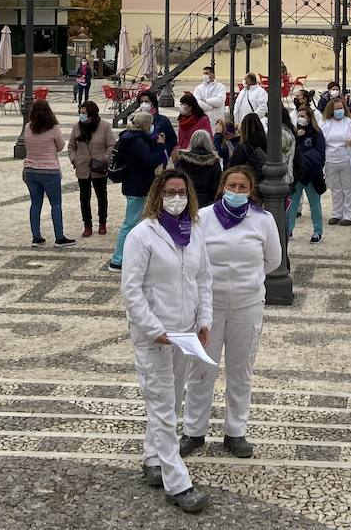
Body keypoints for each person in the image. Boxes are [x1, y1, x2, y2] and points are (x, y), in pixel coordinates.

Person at [120, 170, 213, 514]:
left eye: (182, 192)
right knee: (161, 406)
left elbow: (203, 277)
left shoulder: (195, 232)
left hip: (186, 334)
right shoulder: (141, 236)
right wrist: (151, 327)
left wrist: (204, 319)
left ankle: (152, 459)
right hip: (154, 336)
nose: (177, 198)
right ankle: (179, 483)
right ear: (157, 195)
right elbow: (131, 290)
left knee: (171, 402)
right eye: (170, 192)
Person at [180, 166, 282, 461]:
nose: (236, 192)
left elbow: (273, 260)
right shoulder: (204, 218)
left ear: (251, 191)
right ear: (222, 186)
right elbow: (194, 259)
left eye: (242, 187)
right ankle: (193, 431)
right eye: (232, 186)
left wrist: (246, 281)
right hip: (208, 308)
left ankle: (236, 431)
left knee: (241, 370)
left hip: (247, 305)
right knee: (200, 370)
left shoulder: (263, 220)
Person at [108, 109, 170, 271]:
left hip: (136, 184)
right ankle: (117, 259)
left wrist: (154, 142)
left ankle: (136, 255)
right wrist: (160, 146)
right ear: (145, 126)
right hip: (137, 186)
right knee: (130, 223)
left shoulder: (132, 137)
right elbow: (150, 160)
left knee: (141, 221)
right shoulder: (135, 141)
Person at [21, 98, 74, 246]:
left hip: (30, 170)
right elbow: (60, 146)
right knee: (55, 204)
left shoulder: (28, 127)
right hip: (50, 171)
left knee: (35, 204)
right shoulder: (53, 128)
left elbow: (26, 144)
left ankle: (36, 237)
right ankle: (59, 237)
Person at [68, 100, 114, 237]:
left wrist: (105, 158)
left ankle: (102, 222)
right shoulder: (77, 127)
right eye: (80, 113)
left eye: (84, 113)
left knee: (101, 196)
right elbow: (71, 147)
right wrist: (74, 159)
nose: (81, 115)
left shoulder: (104, 126)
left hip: (99, 167)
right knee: (84, 197)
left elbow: (111, 145)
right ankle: (87, 224)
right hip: (82, 167)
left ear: (92, 114)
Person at [320, 95, 351, 226]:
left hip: (348, 161)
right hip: (331, 161)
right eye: (336, 108)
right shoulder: (324, 124)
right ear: (331, 110)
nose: (339, 111)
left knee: (350, 188)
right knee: (335, 190)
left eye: (341, 108)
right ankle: (337, 213)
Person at [289, 102, 326, 243]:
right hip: (298, 175)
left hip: (312, 174)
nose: (300, 118)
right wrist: (295, 136)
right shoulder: (294, 133)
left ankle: (318, 231)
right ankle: (289, 229)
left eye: (303, 116)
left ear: (310, 118)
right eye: (298, 116)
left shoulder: (317, 133)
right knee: (292, 204)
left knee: (314, 204)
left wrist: (309, 162)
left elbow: (321, 154)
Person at [176, 129, 223, 207]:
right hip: (207, 201)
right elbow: (216, 187)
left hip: (186, 199)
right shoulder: (214, 162)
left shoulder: (182, 160)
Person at [176, 93, 212, 158]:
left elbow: (209, 138)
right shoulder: (181, 119)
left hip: (196, 155)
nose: (181, 106)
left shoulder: (202, 120)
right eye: (181, 104)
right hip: (182, 154)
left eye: (184, 104)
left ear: (190, 107)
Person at [142, 91, 177, 155]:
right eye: (141, 102)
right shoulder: (135, 121)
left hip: (158, 158)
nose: (143, 104)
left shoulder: (163, 120)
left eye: (146, 101)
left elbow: (172, 140)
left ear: (153, 103)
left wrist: (164, 153)